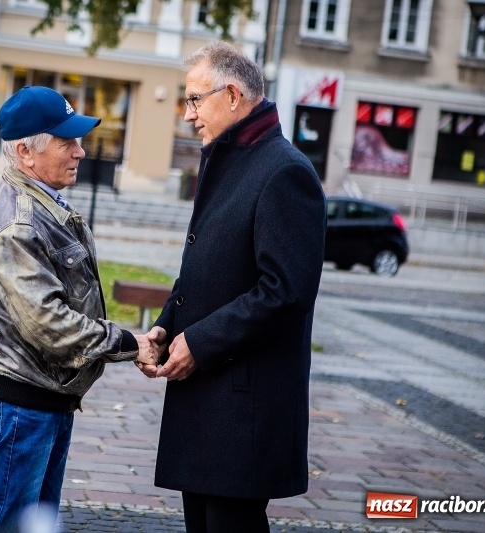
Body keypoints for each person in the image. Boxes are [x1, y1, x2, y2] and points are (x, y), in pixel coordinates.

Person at [144, 42, 327, 532]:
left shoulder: (284, 171)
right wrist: (166, 328)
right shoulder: (230, 160)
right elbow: (210, 267)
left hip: (243, 408)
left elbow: (286, 291)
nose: (187, 115)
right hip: (209, 399)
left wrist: (199, 343)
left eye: (194, 100)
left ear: (231, 95)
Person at [0, 85, 157, 533]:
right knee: (9, 525)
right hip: (24, 400)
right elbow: (48, 322)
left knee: (35, 524)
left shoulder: (42, 201)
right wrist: (130, 343)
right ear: (25, 153)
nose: (81, 151)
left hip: (46, 394)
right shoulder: (17, 222)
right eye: (66, 141)